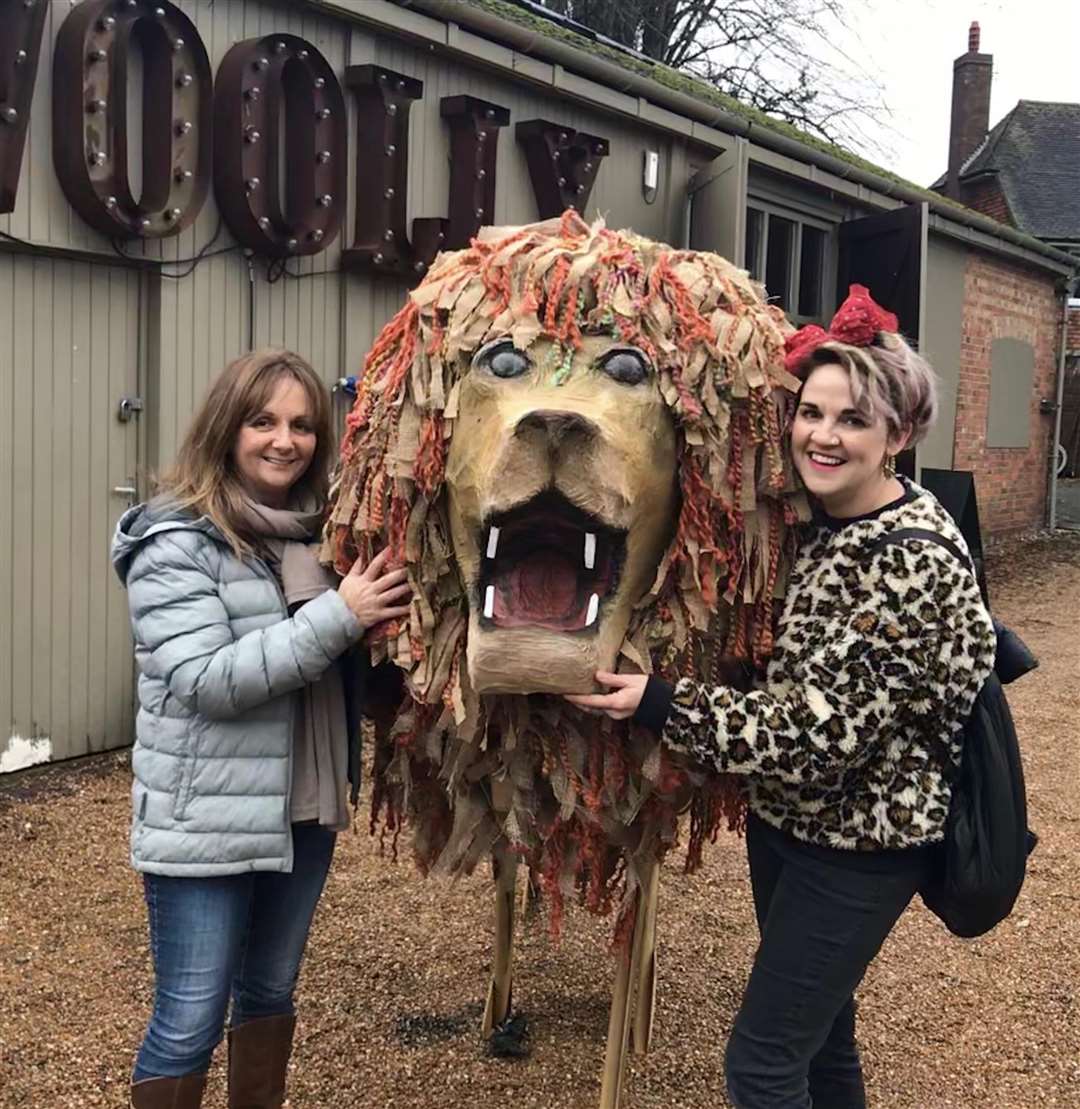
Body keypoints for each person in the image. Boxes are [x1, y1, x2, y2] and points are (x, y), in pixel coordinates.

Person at [565, 287, 997, 1108]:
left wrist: (662, 702)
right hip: (794, 828)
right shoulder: (825, 523)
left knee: (761, 1066)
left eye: (852, 420)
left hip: (860, 847)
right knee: (823, 1042)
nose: (821, 436)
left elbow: (814, 737)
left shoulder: (909, 560)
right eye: (810, 412)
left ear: (899, 435)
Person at [111, 349, 411, 1109]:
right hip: (203, 820)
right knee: (189, 1016)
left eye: (304, 425)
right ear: (226, 428)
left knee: (271, 992)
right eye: (264, 420)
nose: (286, 440)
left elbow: (344, 667)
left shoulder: (321, 536)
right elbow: (209, 680)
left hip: (300, 810)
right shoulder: (174, 541)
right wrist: (342, 614)